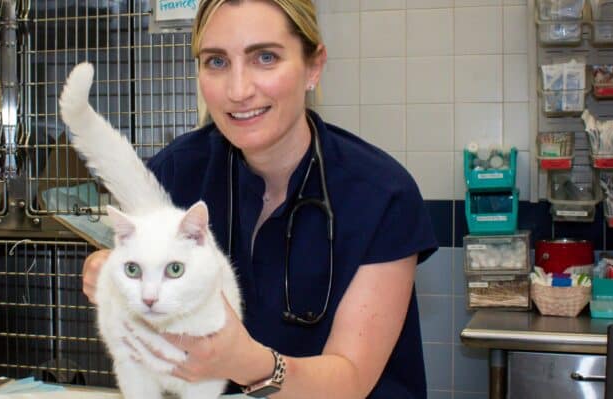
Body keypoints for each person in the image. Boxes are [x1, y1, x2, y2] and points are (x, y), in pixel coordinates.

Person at [81, 0, 438, 397]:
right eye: (216, 62)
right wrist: (108, 272)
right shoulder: (176, 173)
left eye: (265, 57)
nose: (238, 91)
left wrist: (244, 360)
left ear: (313, 66)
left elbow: (350, 381)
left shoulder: (381, 195)